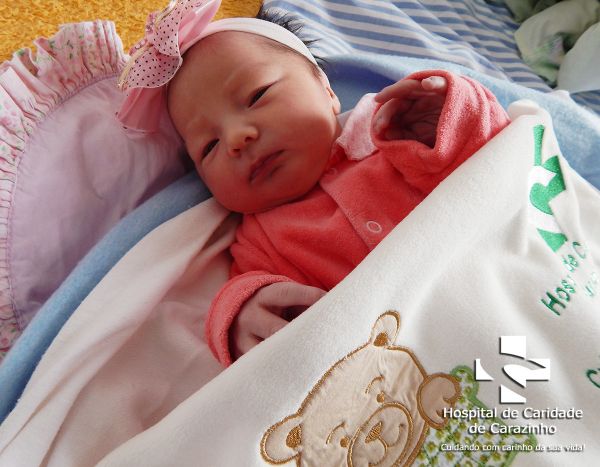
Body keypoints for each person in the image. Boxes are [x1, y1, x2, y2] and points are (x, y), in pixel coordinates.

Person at [118, 0, 511, 367]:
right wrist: (239, 313)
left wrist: (444, 115)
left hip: (498, 299)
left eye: (257, 96)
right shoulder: (263, 240)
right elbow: (243, 291)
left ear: (327, 90)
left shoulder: (392, 133)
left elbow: (494, 163)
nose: (237, 138)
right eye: (209, 147)